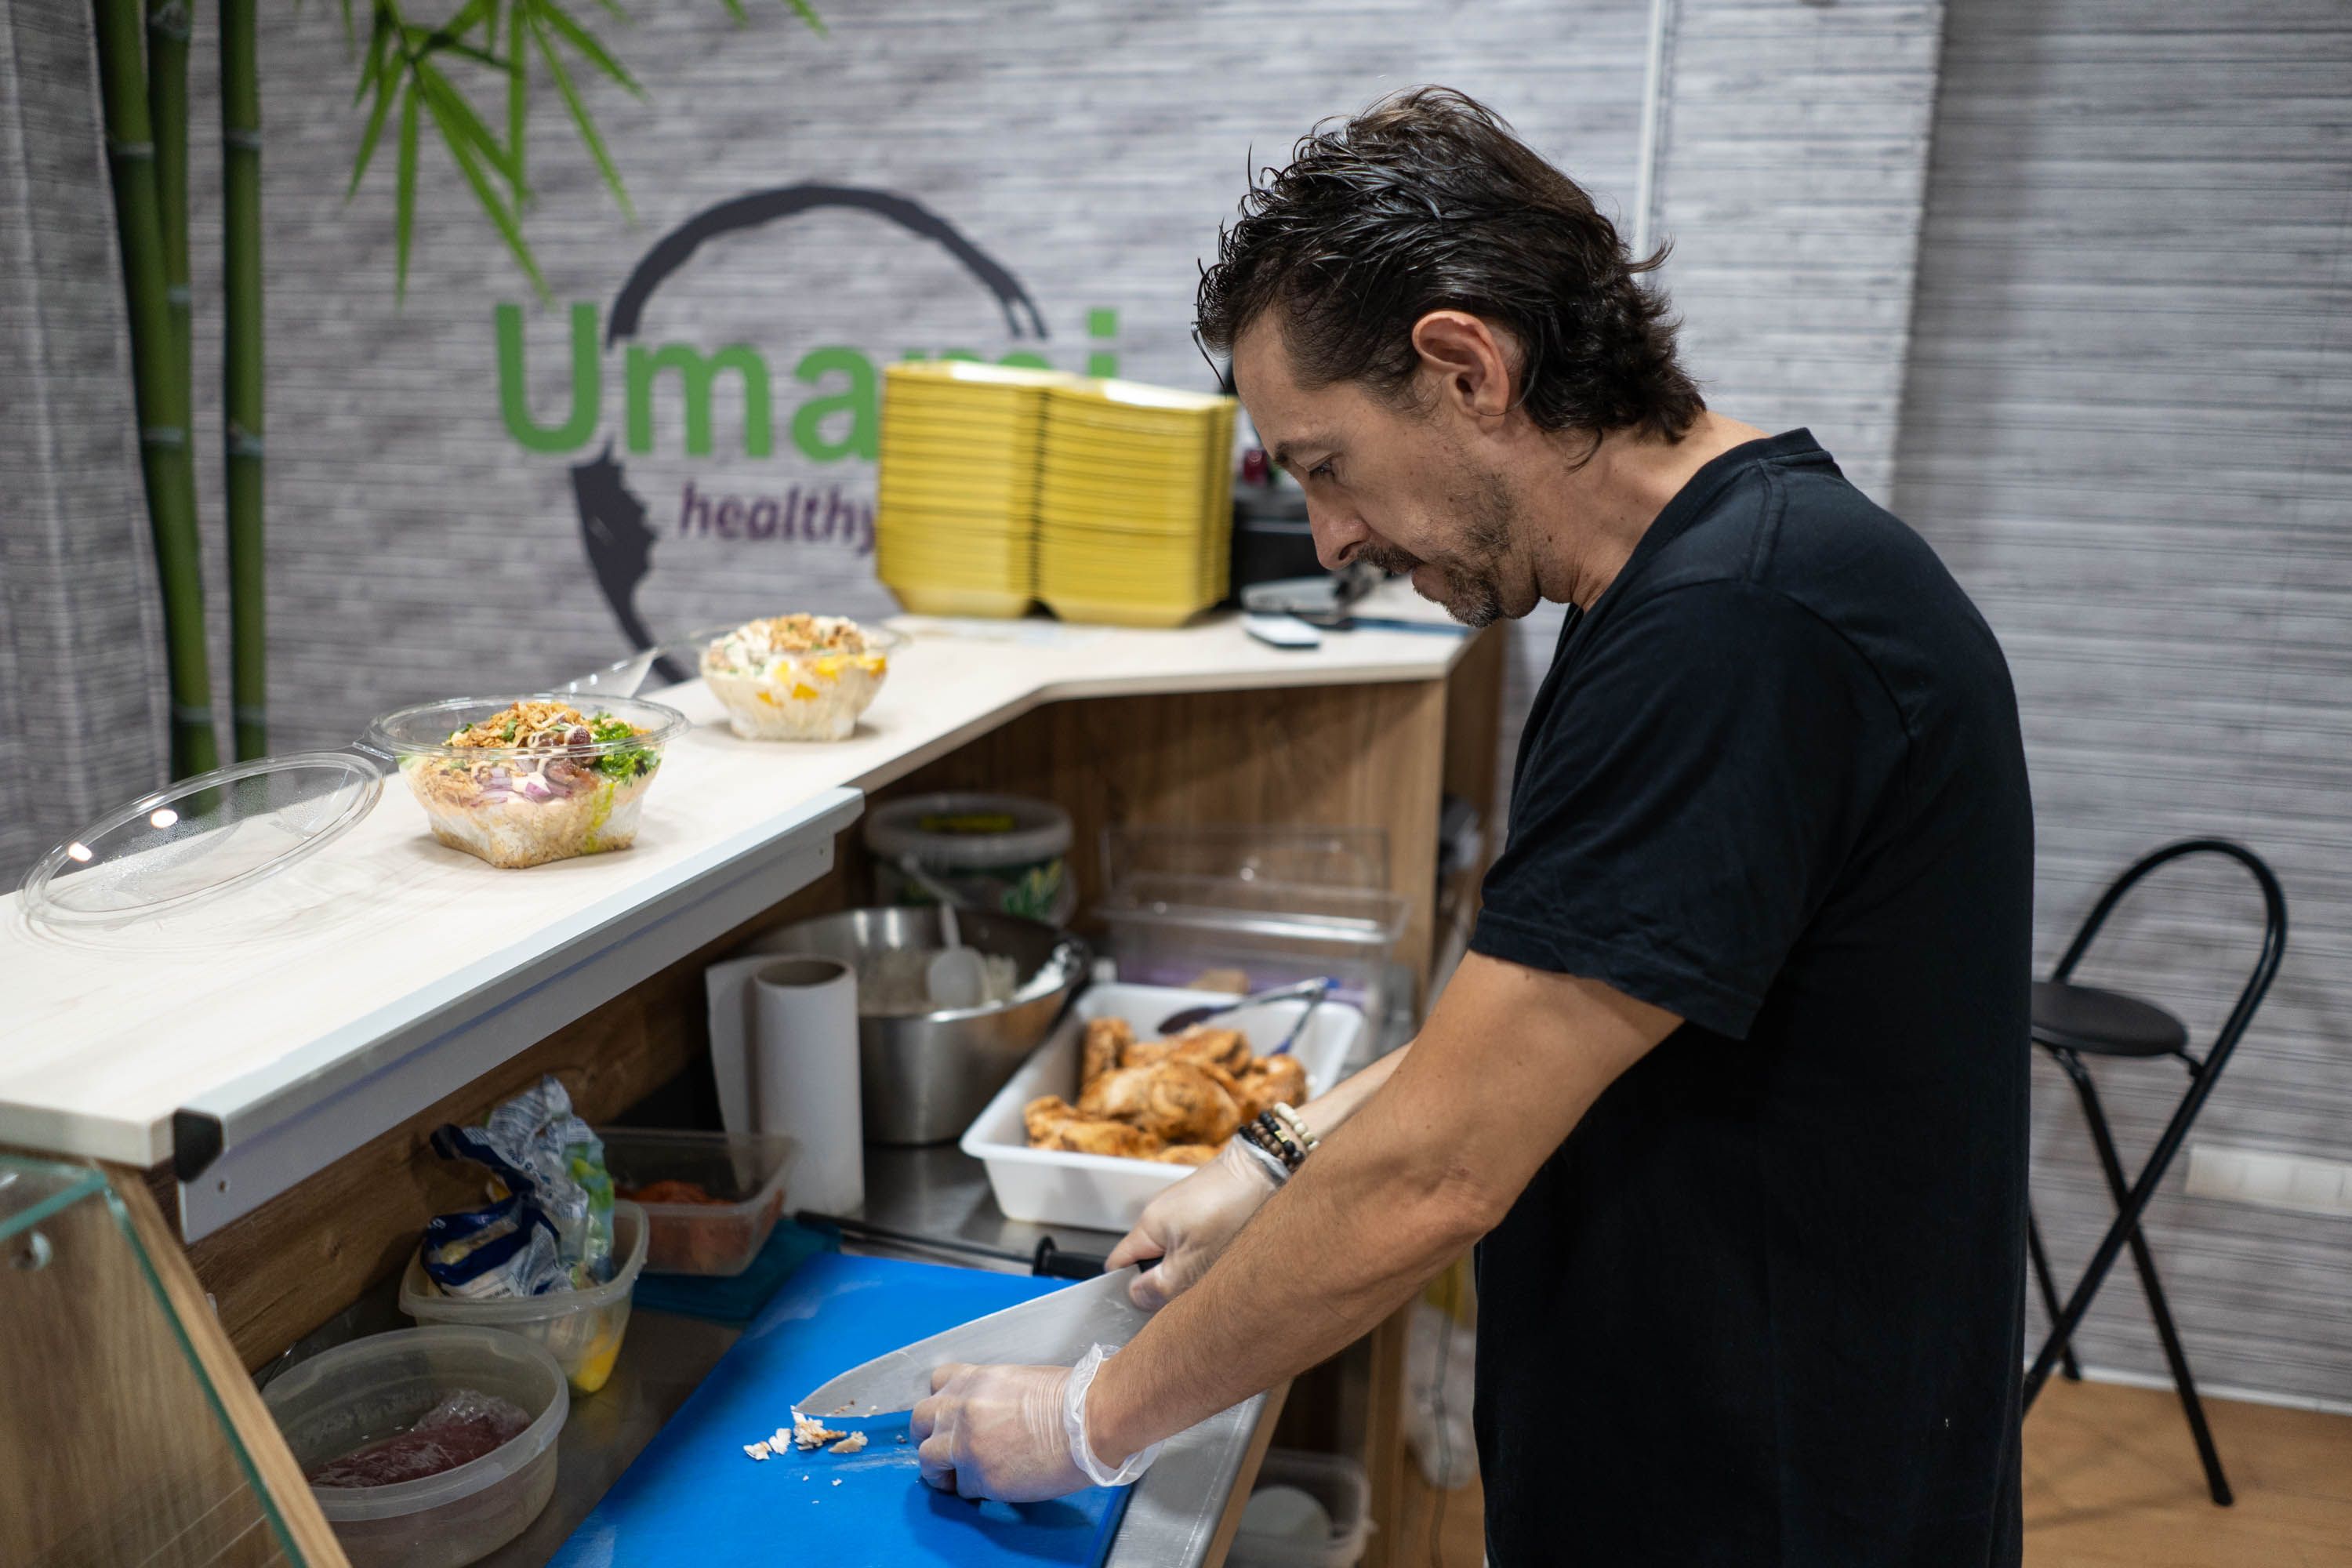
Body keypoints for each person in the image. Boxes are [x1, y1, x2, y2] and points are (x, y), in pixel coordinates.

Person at [912, 86, 2034, 1566]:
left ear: (1464, 369)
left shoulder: (1738, 634)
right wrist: (1274, 1154)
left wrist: (1083, 1422)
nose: (1331, 541)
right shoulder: (1706, 586)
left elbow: (1444, 1174)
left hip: (1764, 1498)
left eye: (1324, 466)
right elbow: (1565, 1021)